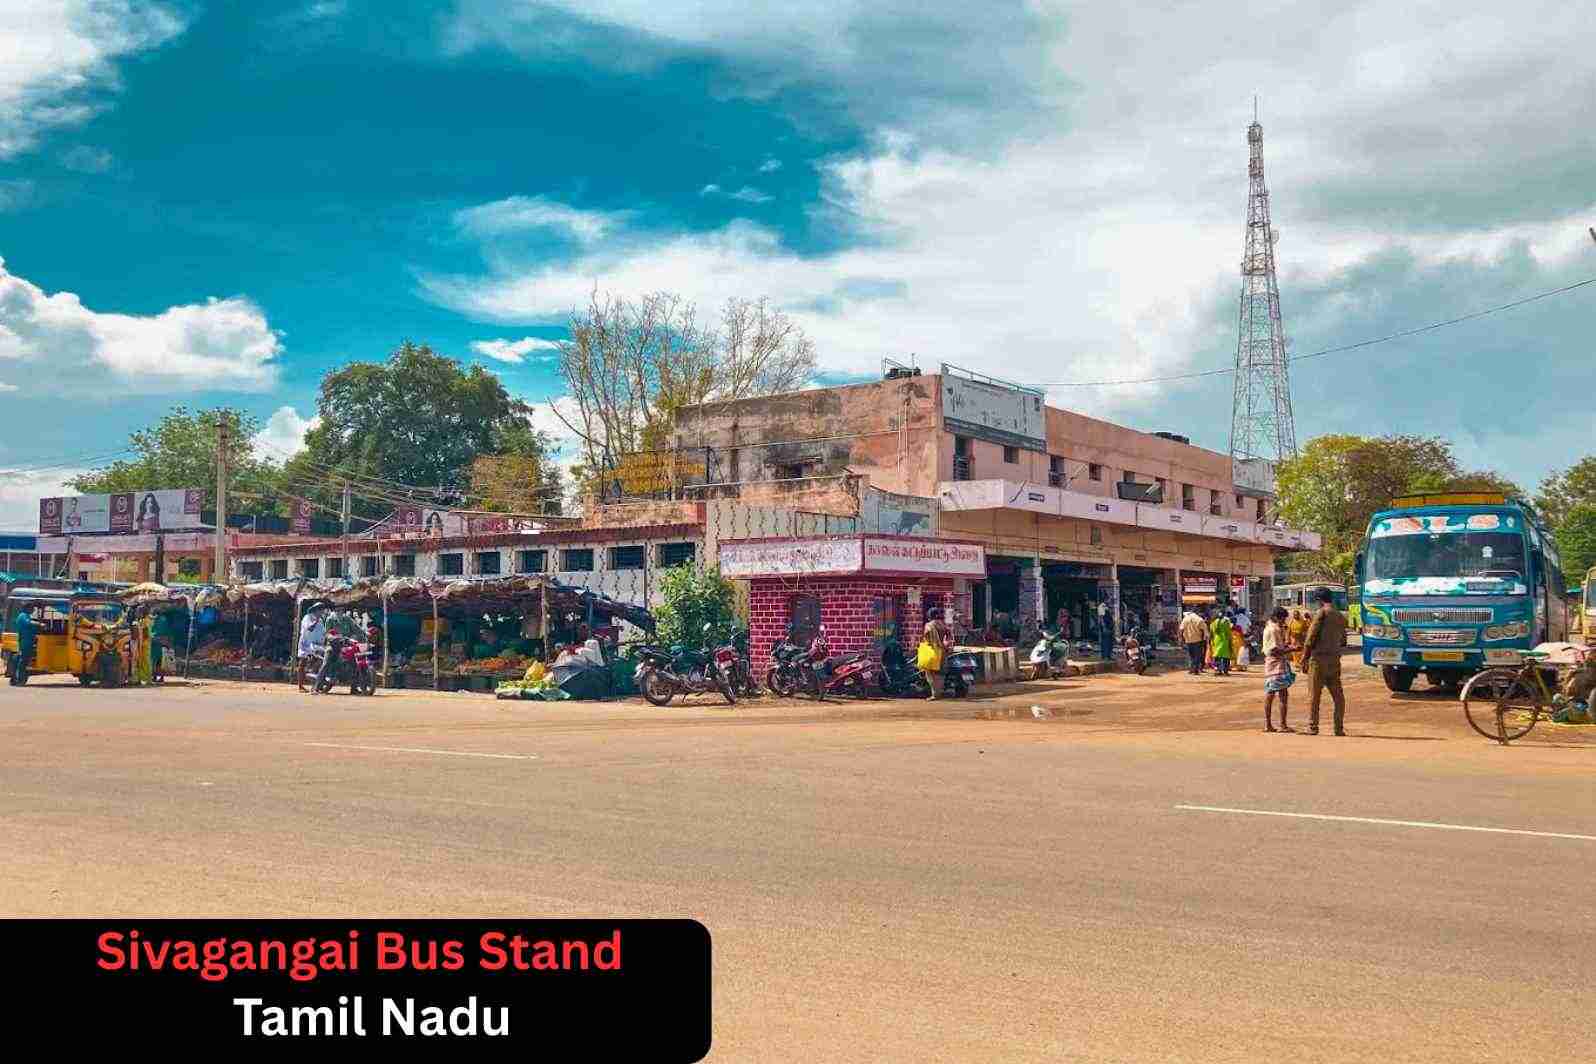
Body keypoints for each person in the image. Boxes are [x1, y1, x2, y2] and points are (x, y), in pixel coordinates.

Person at [1301, 587, 1349, 736]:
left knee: (1314, 696)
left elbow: (1310, 639)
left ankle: (1312, 727)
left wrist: (1304, 658)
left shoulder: (1321, 613)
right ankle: (1338, 728)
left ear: (1319, 600)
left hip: (1318, 660)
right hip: (1334, 660)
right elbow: (1344, 641)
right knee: (1338, 697)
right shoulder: (1340, 616)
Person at [1261, 606, 1295, 732]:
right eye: (1282, 619)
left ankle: (1269, 724)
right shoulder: (1274, 629)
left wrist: (1286, 646)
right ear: (1277, 618)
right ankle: (1282, 724)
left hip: (1272, 665)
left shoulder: (1269, 628)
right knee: (1282, 695)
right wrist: (1291, 649)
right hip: (1276, 665)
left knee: (1270, 694)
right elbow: (1274, 650)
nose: (1283, 621)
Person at [919, 614, 950, 699]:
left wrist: (926, 640)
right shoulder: (943, 625)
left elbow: (926, 633)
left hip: (933, 651)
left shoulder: (929, 625)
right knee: (940, 672)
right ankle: (939, 692)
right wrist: (945, 643)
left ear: (929, 616)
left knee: (930, 672)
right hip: (943, 650)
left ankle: (934, 694)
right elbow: (949, 634)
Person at [296, 606, 326, 691]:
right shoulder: (307, 617)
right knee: (302, 663)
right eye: (321, 610)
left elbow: (322, 633)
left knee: (321, 661)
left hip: (316, 645)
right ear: (316, 610)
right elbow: (309, 628)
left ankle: (317, 683)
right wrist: (316, 621)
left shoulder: (321, 620)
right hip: (305, 643)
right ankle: (300, 686)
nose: (322, 612)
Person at [10, 604, 38, 685]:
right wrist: (39, 624)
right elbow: (28, 623)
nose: (33, 610)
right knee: (23, 661)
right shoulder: (23, 616)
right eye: (32, 608)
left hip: (27, 641)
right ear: (27, 608)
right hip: (25, 641)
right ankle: (19, 679)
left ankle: (15, 679)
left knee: (21, 660)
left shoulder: (26, 616)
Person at [1178, 607, 1208, 675]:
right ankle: (1195, 669)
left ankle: (1191, 669)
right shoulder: (1200, 619)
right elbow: (1205, 631)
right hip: (1198, 640)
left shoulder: (1185, 619)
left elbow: (1181, 629)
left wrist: (1180, 639)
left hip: (1188, 640)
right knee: (1197, 655)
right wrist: (1205, 640)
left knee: (1191, 655)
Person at [1209, 609, 1234, 676]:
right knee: (1226, 657)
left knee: (1217, 656)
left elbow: (1211, 633)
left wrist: (1211, 641)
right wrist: (1230, 640)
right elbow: (1228, 632)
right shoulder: (1225, 622)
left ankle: (1217, 670)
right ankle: (1225, 671)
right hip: (1224, 641)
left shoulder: (1213, 623)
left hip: (1216, 641)